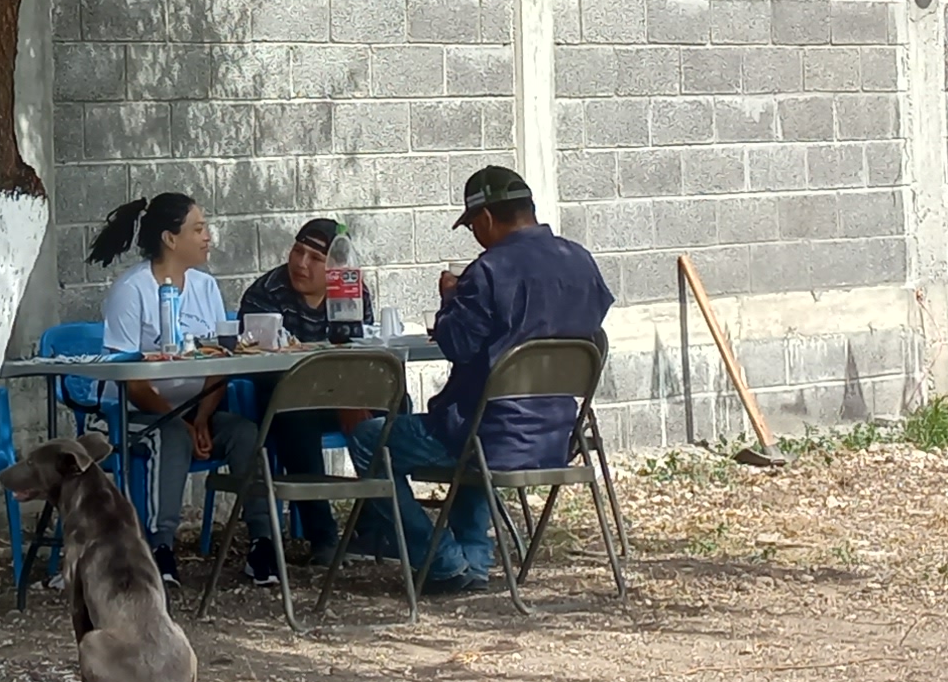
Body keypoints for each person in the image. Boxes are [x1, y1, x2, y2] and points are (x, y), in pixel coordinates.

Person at [365, 164, 612, 590]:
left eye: (472, 226)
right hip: (557, 435)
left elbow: (456, 345)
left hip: (488, 436)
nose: (474, 235)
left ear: (486, 218)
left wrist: (450, 298)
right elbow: (592, 327)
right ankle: (474, 561)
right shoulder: (581, 261)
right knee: (475, 415)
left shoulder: (489, 270)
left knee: (370, 438)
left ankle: (441, 560)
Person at [88, 189, 264, 567]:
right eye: (197, 229)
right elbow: (131, 380)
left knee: (245, 433)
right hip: (136, 414)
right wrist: (181, 423)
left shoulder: (205, 287)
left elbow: (219, 362)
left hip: (195, 411)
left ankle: (263, 543)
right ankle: (159, 547)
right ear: (170, 238)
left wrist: (200, 419)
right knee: (169, 436)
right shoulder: (131, 290)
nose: (207, 237)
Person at [230, 218, 372, 579]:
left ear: (336, 266)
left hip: (340, 394)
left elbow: (363, 355)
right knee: (296, 417)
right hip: (283, 398)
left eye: (315, 258)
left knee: (394, 405)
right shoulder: (265, 294)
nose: (301, 263)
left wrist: (351, 396)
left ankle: (377, 523)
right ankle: (322, 536)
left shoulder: (351, 291)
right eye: (297, 251)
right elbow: (263, 366)